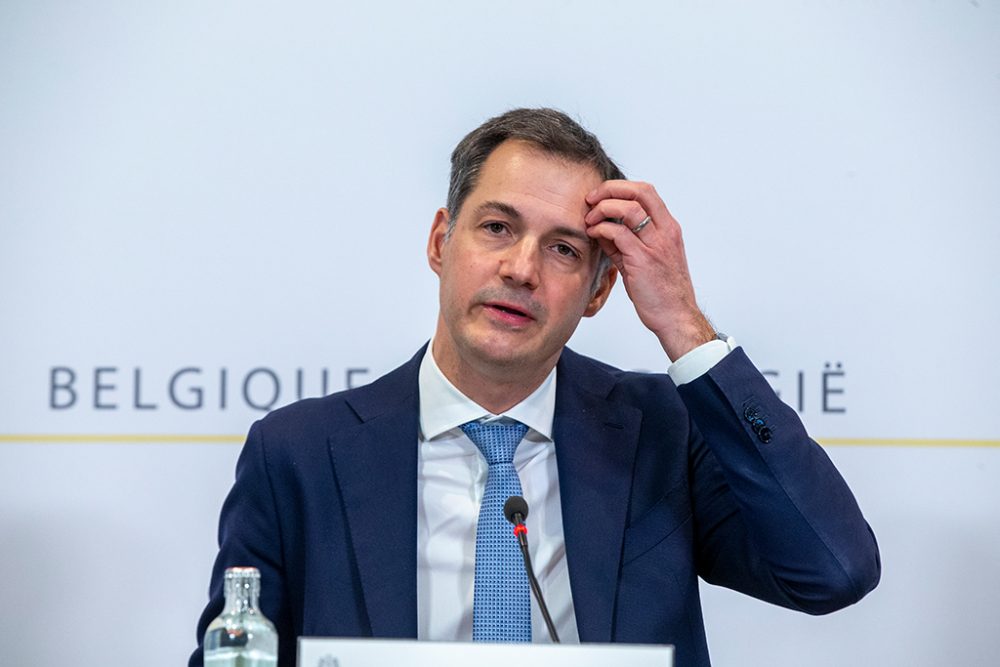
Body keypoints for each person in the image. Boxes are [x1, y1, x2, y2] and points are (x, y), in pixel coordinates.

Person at [190, 108, 880, 667]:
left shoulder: (661, 433)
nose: (522, 268)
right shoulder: (300, 454)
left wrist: (684, 324)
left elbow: (832, 568)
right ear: (440, 241)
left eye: (563, 250)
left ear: (600, 289)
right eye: (497, 227)